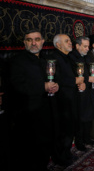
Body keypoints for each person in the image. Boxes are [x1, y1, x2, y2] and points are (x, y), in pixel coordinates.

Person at [9, 30, 59, 170]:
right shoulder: (17, 61)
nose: (33, 43)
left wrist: (56, 86)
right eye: (29, 40)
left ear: (42, 41)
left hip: (47, 111)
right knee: (30, 151)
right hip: (28, 114)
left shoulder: (44, 59)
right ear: (24, 42)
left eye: (37, 39)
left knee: (45, 146)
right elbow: (16, 85)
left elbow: (52, 80)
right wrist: (42, 86)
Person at [51, 34, 84, 167]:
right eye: (66, 41)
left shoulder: (68, 57)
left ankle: (67, 152)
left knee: (70, 128)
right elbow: (55, 79)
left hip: (72, 98)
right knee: (62, 131)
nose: (70, 43)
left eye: (70, 40)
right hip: (61, 101)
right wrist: (74, 81)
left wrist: (80, 83)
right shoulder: (53, 58)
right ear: (58, 45)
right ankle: (60, 157)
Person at [69, 36, 94, 151]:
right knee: (81, 118)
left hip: (90, 91)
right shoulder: (72, 58)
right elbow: (73, 75)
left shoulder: (87, 57)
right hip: (79, 93)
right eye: (85, 46)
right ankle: (79, 142)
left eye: (88, 46)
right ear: (77, 46)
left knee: (89, 116)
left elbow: (93, 74)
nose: (87, 49)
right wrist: (87, 80)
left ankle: (87, 138)